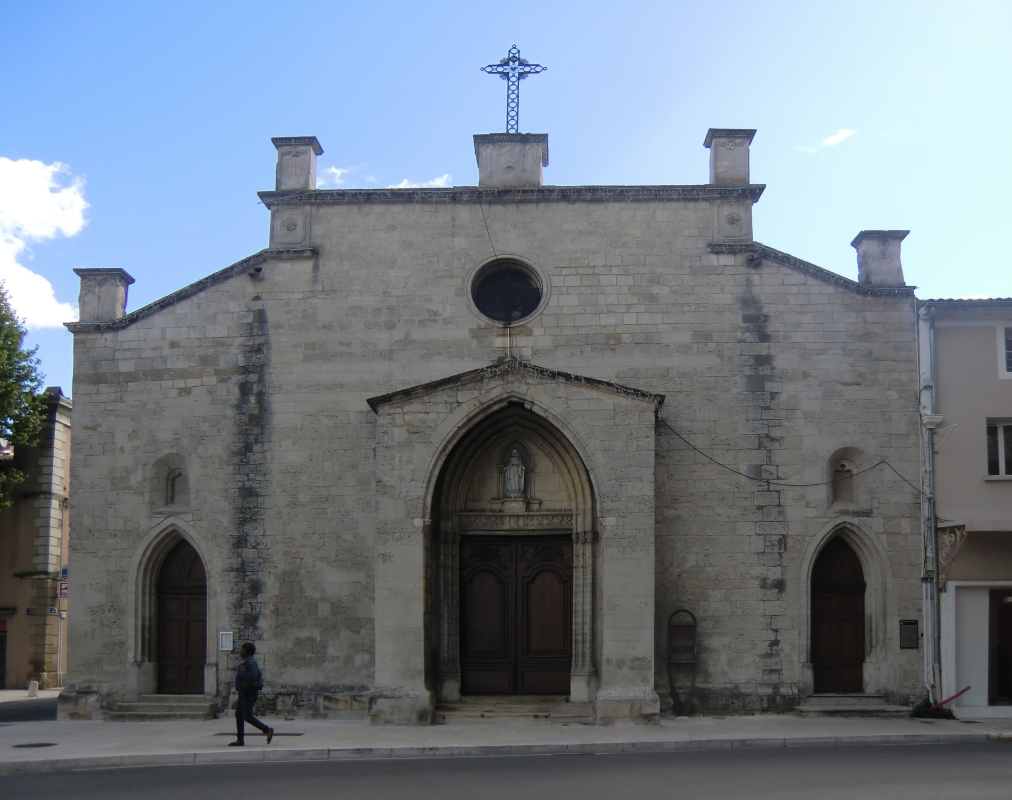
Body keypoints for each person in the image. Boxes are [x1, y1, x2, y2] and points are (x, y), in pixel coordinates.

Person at [230, 642, 274, 746]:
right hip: (243, 693)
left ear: (246, 651)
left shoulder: (250, 662)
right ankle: (240, 739)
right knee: (239, 715)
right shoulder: (247, 662)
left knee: (247, 716)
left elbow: (253, 676)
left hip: (249, 693)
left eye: (242, 650)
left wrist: (241, 672)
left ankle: (267, 730)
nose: (240, 652)